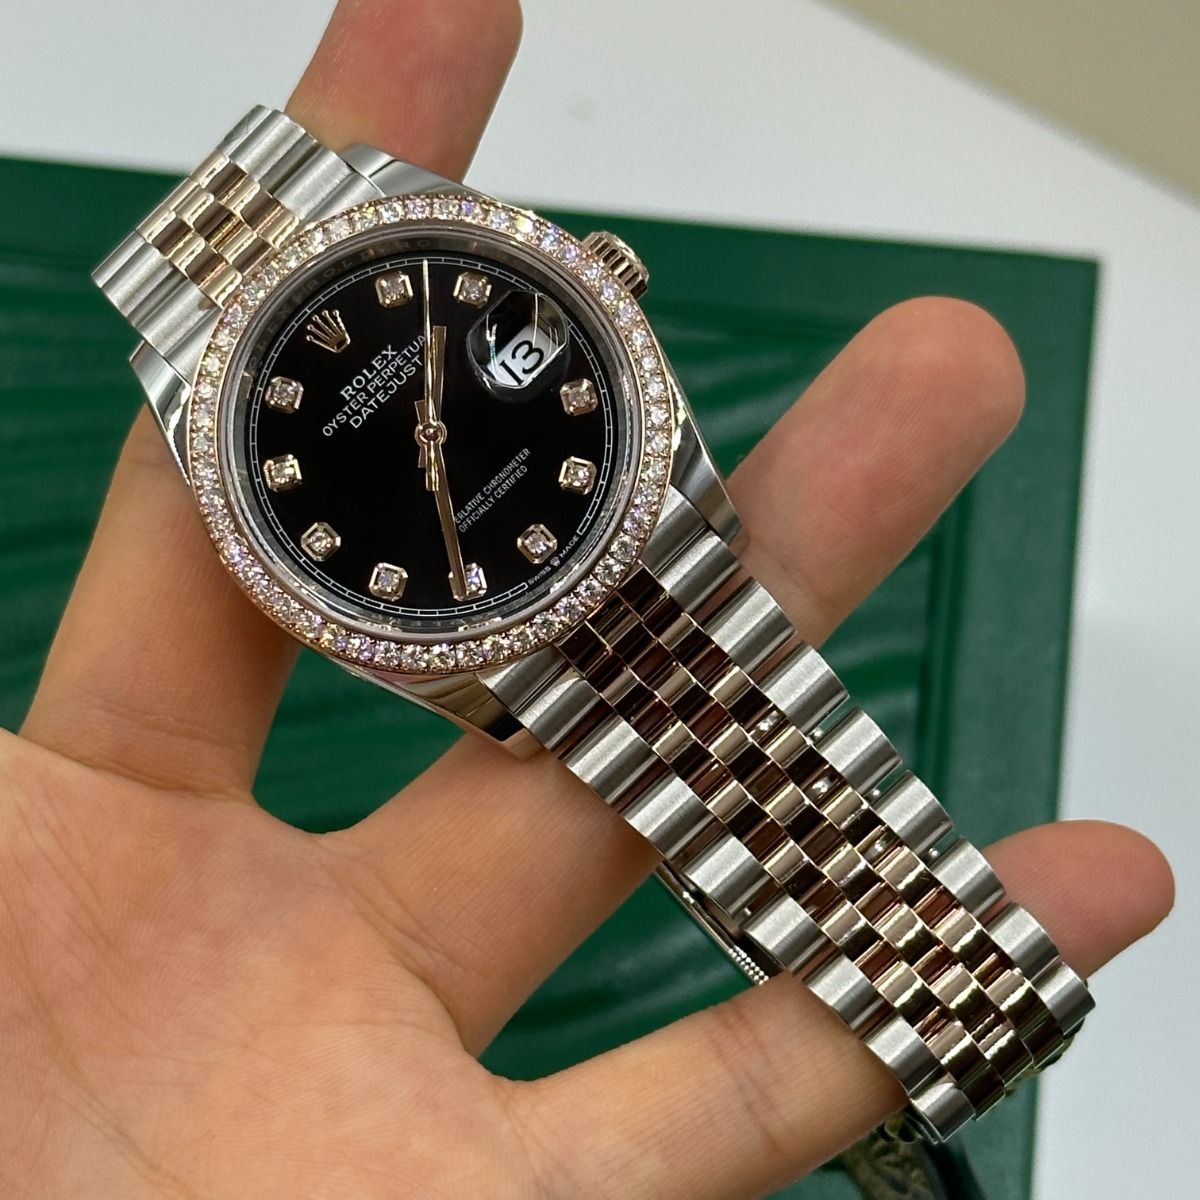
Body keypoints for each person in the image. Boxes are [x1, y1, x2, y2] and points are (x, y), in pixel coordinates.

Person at [0, 1, 1172, 1196]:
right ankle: (927, 1004)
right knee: (709, 807)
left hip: (630, 537)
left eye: (432, 414)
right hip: (515, 634)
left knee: (734, 796)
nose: (427, 434)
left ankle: (932, 994)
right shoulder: (233, 439)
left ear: (598, 283)